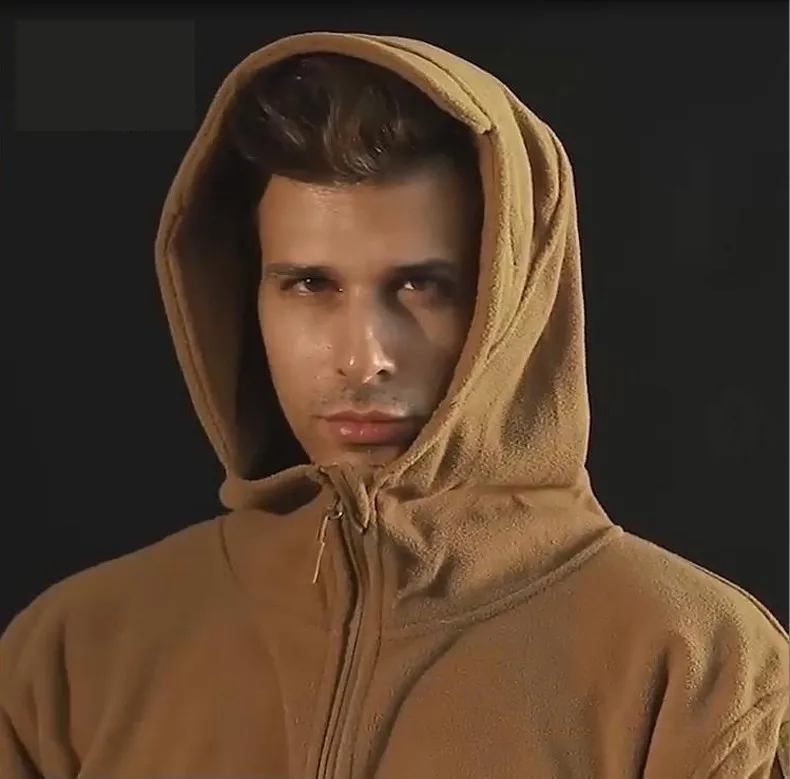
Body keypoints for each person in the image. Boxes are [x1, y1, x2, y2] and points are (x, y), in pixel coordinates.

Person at [0, 31, 787, 779]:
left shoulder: (696, 666)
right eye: (310, 284)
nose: (363, 357)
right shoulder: (69, 657)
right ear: (245, 294)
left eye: (421, 285)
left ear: (512, 301)